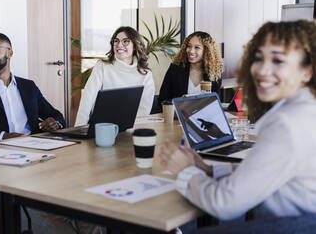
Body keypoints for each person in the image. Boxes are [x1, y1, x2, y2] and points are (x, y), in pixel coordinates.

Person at [160, 20, 316, 220]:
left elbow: (223, 203)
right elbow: (262, 169)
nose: (261, 70)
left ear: (307, 71)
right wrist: (209, 169)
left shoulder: (286, 124)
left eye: (278, 61)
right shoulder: (305, 108)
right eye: (258, 59)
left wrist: (186, 171)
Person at [75, 26, 155, 126]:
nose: (119, 45)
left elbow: (144, 110)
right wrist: (79, 127)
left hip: (131, 128)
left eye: (125, 41)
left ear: (135, 46)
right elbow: (87, 99)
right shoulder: (102, 66)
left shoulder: (145, 74)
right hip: (102, 127)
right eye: (116, 41)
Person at [158, 31, 223, 106]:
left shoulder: (214, 72)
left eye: (197, 47)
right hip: (177, 116)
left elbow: (215, 103)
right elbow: (163, 99)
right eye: (189, 46)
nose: (191, 51)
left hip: (203, 116)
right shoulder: (175, 69)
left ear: (207, 51)